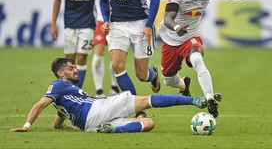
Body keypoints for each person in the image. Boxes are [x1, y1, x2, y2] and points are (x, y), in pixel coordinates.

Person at [10, 57, 207, 133]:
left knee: (148, 124)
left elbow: (58, 119)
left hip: (90, 125)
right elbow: (39, 104)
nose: (76, 70)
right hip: (96, 109)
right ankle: (194, 100)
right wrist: (26, 126)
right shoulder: (59, 84)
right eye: (71, 68)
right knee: (146, 102)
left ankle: (111, 129)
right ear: (61, 73)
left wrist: (63, 124)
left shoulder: (65, 96)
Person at [158, 0, 243, 118]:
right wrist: (177, 27)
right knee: (168, 80)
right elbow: (167, 19)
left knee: (197, 59)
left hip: (191, 36)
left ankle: (210, 98)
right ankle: (183, 84)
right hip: (171, 38)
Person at [97, 0, 161, 117]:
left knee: (141, 74)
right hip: (117, 24)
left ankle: (152, 75)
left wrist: (149, 25)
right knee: (117, 65)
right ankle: (138, 110)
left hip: (141, 23)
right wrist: (105, 20)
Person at [50, 0, 97, 89]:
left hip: (88, 24)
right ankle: (69, 93)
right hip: (69, 24)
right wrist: (53, 24)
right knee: (69, 61)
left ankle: (78, 92)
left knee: (82, 58)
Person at [89, 0, 120, 96]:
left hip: (118, 18)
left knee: (116, 55)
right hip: (101, 18)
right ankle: (99, 91)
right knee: (98, 54)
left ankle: (114, 87)